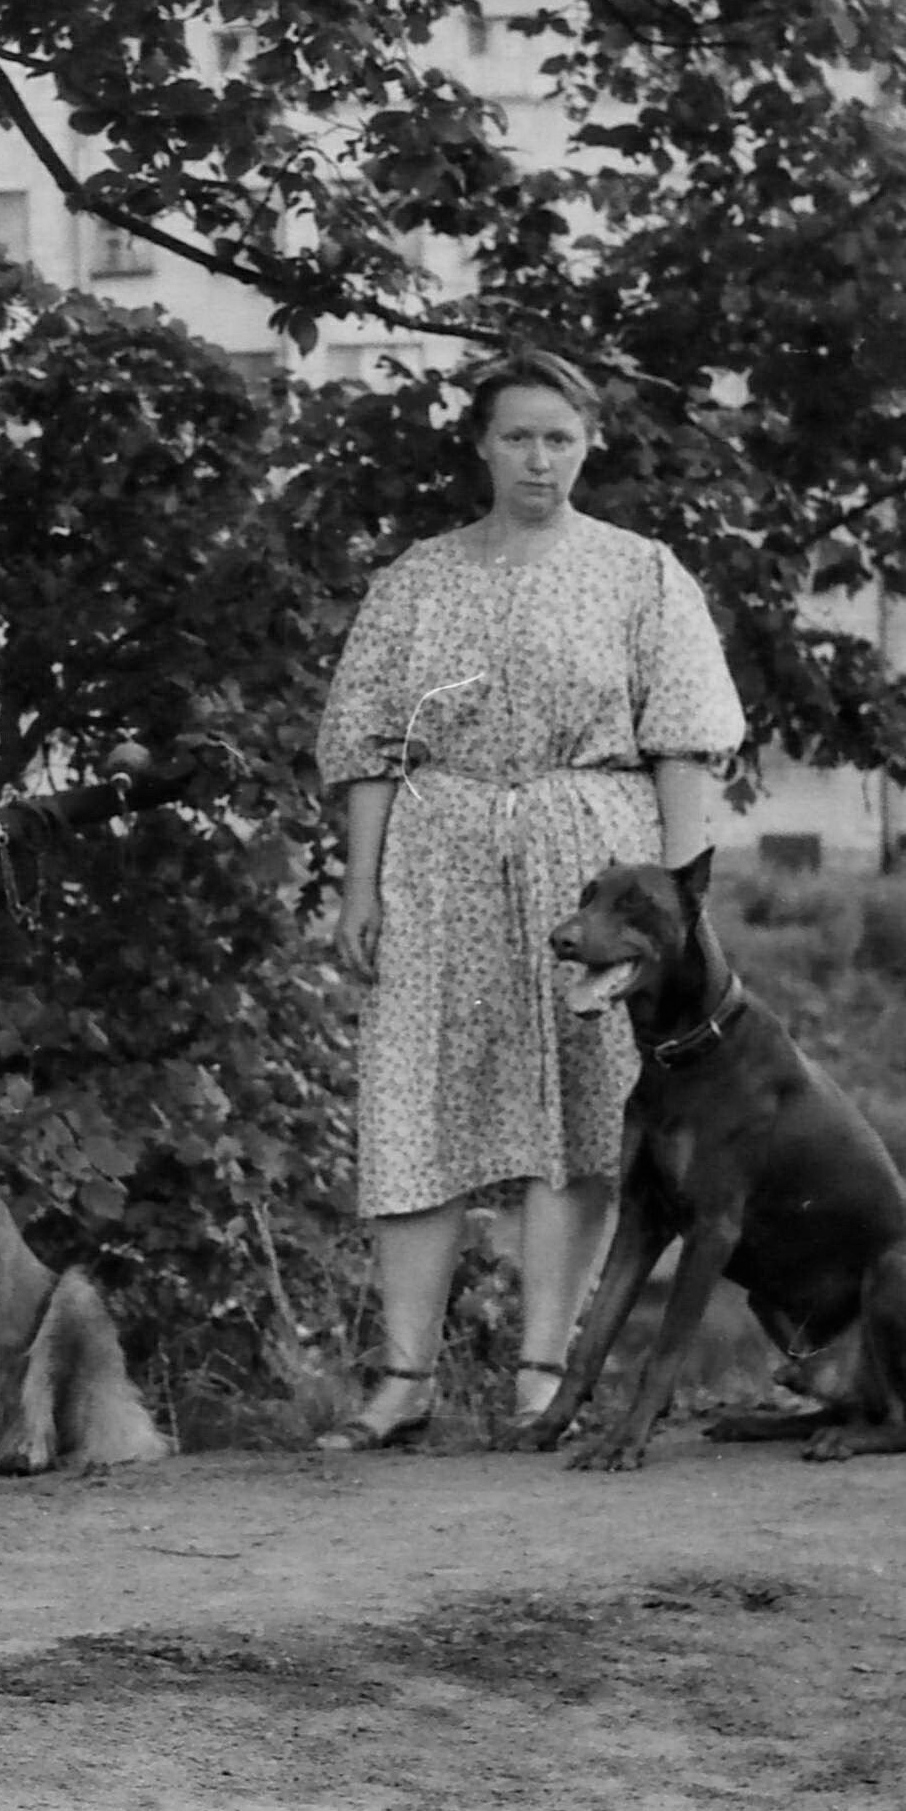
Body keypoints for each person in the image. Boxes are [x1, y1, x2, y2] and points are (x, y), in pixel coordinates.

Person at [308, 351, 747, 1450]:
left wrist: (680, 904)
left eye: (559, 437)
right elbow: (370, 745)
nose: (539, 459)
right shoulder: (417, 579)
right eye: (517, 436)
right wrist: (360, 886)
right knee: (416, 1093)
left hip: (592, 856)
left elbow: (683, 743)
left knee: (580, 1105)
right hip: (438, 858)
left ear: (589, 444)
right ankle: (404, 1379)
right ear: (482, 444)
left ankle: (543, 1375)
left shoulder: (641, 574)